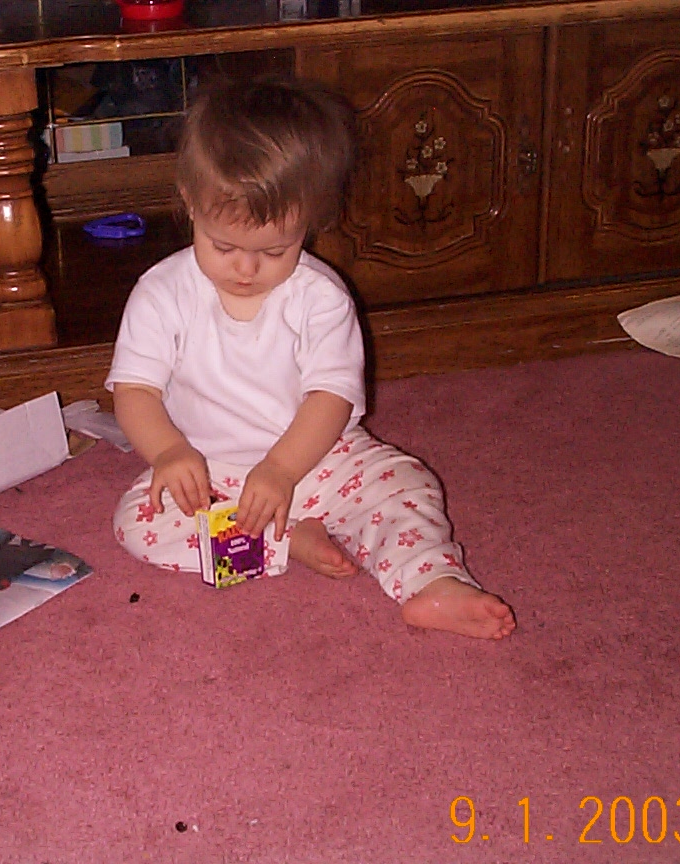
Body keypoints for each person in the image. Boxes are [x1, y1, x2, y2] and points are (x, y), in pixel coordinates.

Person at [106, 76, 515, 639]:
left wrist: (282, 470)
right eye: (223, 246)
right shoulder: (160, 293)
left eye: (275, 251)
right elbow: (135, 390)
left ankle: (433, 582)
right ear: (190, 202)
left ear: (310, 222)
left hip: (319, 457)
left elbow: (331, 397)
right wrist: (169, 452)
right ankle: (283, 542)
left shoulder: (320, 297)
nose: (246, 269)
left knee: (406, 482)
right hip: (211, 473)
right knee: (138, 524)